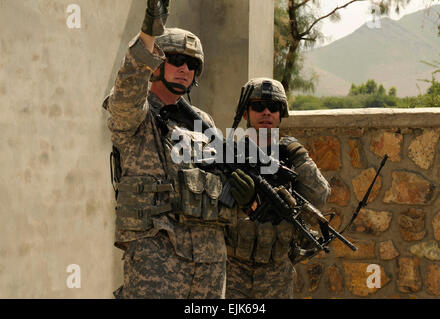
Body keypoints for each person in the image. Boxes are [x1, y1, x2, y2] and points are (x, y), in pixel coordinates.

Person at [102, 0, 243, 299]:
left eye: (192, 64)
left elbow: (219, 179)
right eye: (176, 60)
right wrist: (147, 38)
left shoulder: (202, 122)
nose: (184, 69)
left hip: (209, 259)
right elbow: (128, 89)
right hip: (158, 258)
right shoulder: (136, 116)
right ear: (156, 64)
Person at [224, 78, 331, 299]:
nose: (266, 112)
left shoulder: (291, 157)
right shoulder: (230, 155)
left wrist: (299, 157)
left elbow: (320, 196)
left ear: (281, 114)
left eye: (273, 107)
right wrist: (243, 203)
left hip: (276, 271)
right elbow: (210, 206)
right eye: (258, 106)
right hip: (233, 268)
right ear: (245, 113)